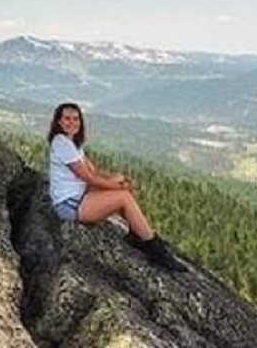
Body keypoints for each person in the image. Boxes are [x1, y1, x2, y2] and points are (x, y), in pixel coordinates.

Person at [47, 102, 187, 272]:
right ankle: (155, 250)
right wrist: (118, 188)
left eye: (76, 119)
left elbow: (95, 172)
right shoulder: (62, 144)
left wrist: (121, 181)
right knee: (123, 197)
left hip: (79, 195)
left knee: (119, 181)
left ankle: (136, 233)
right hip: (70, 205)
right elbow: (89, 178)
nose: (72, 123)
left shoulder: (72, 144)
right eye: (67, 119)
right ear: (59, 122)